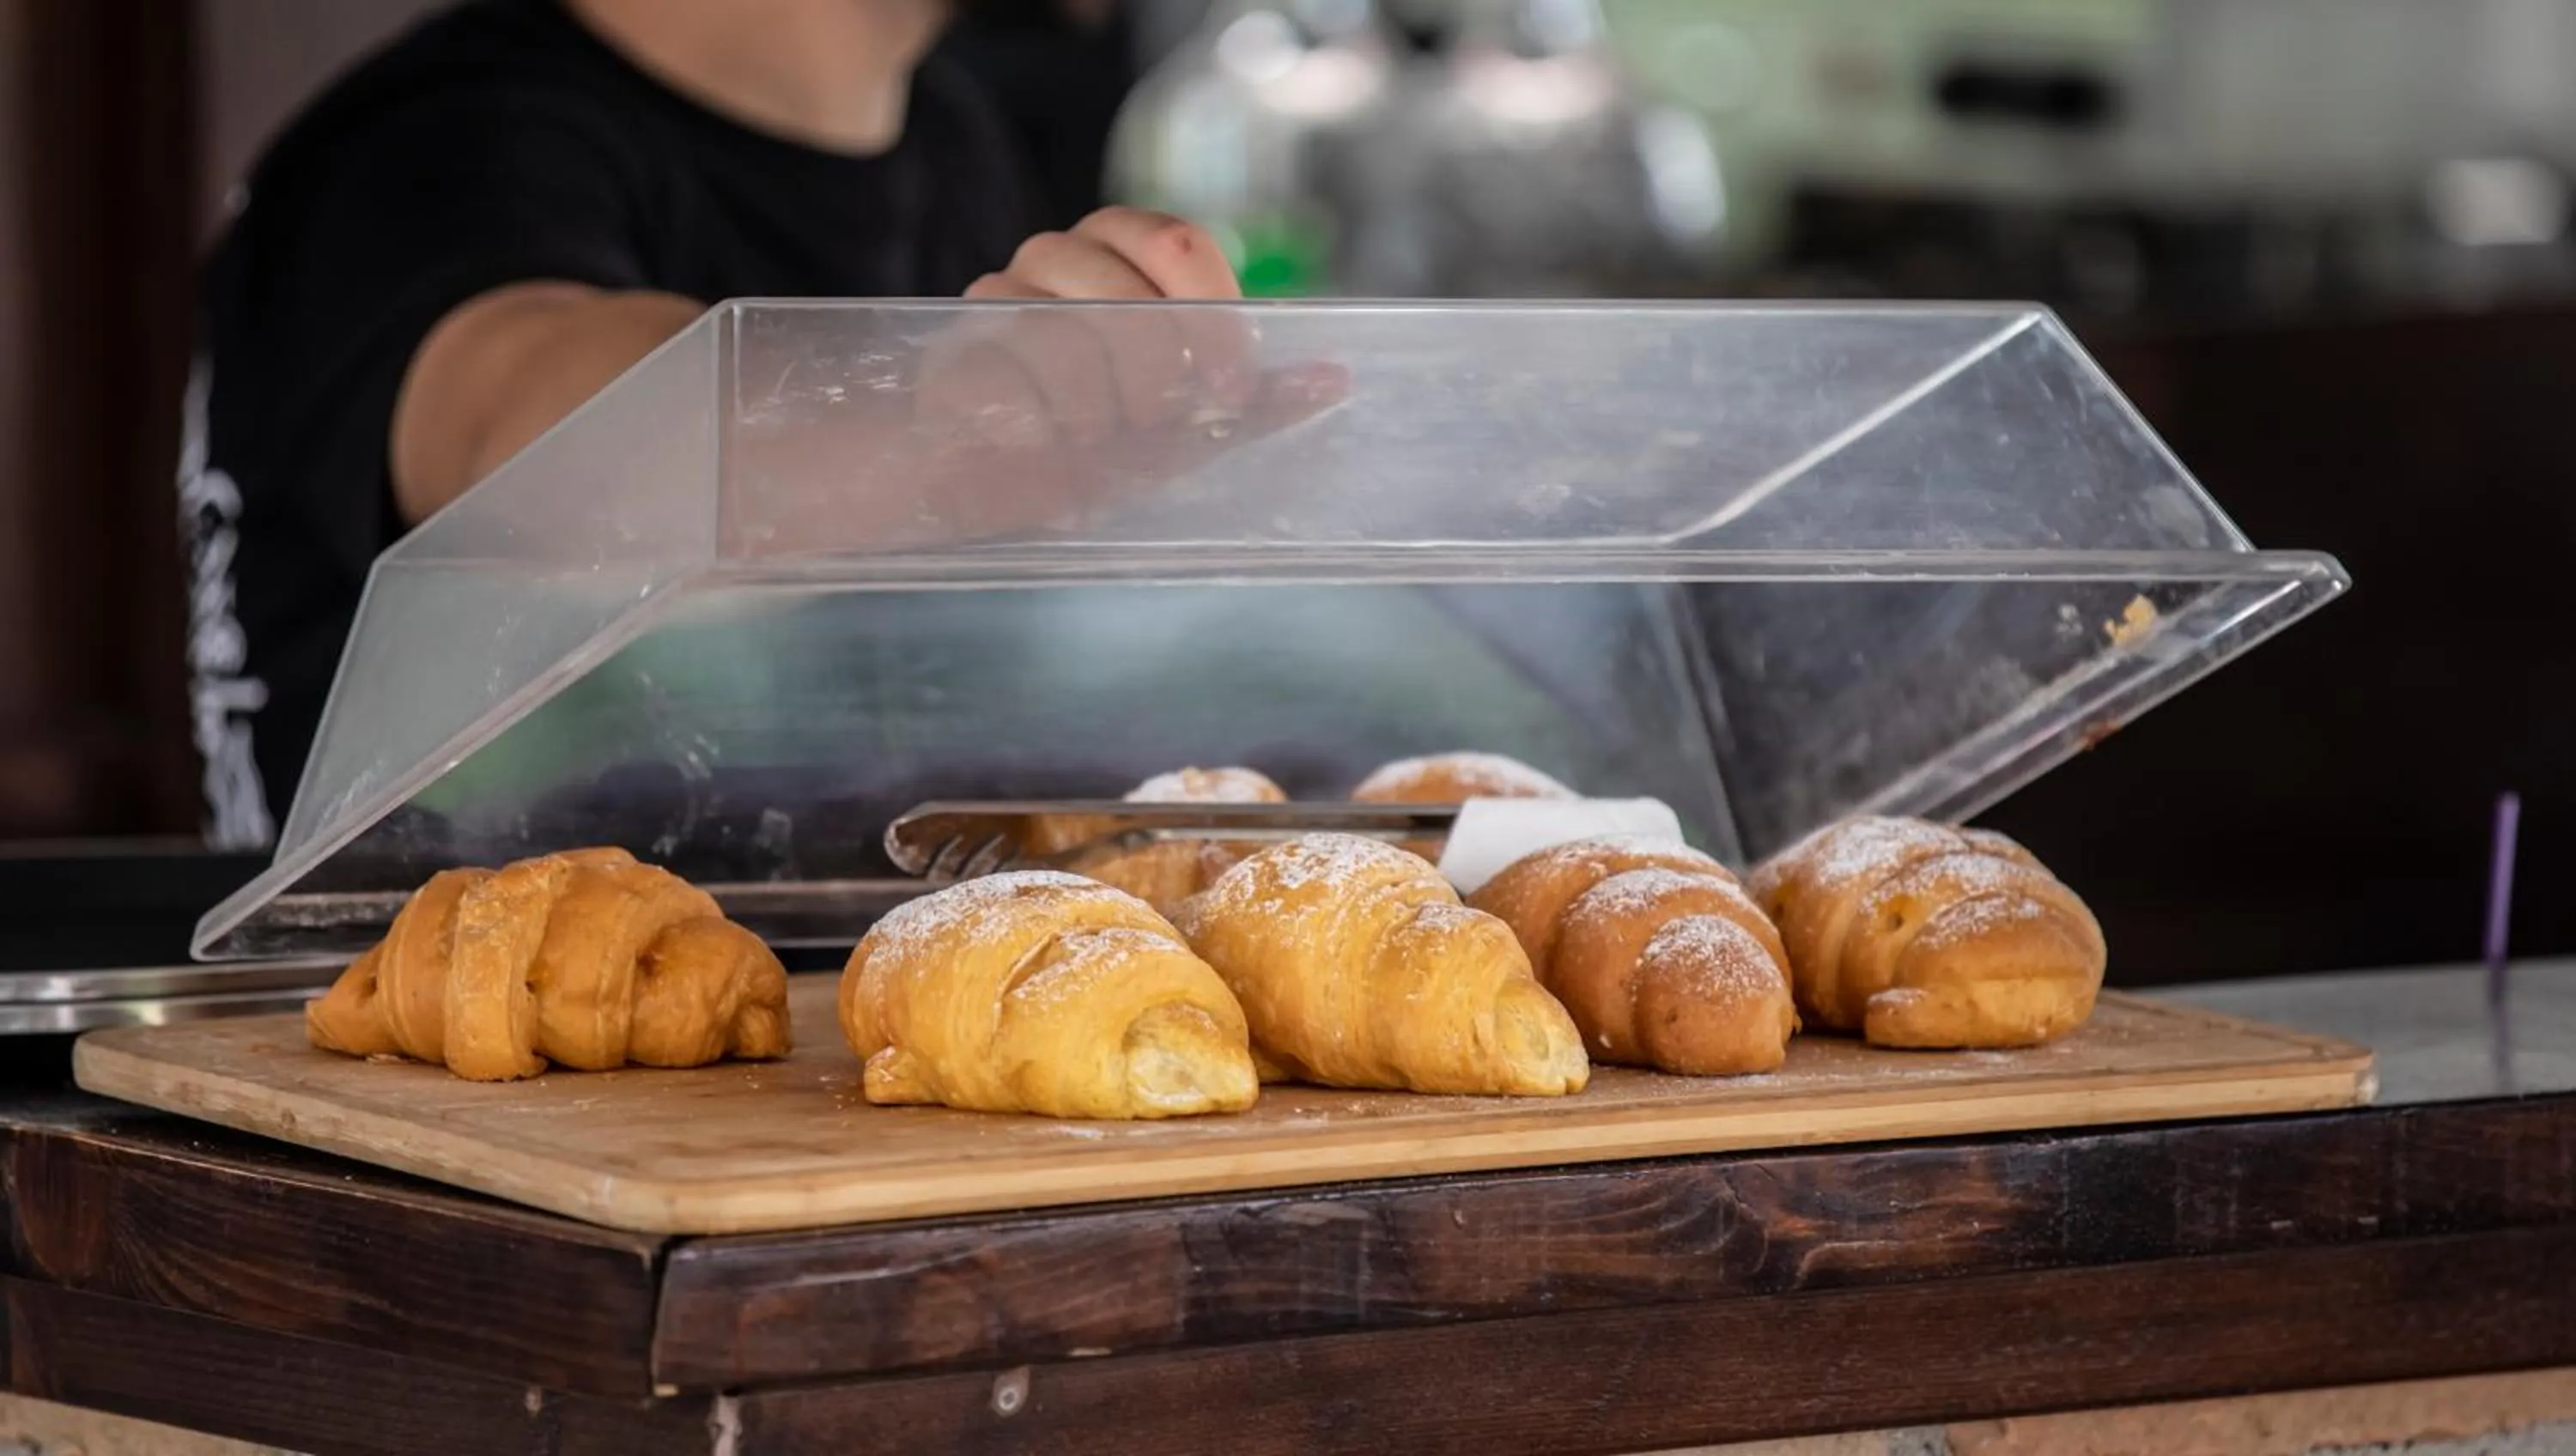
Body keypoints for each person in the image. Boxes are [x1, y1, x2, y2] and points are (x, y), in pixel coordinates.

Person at [179, 0, 1243, 849]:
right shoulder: (429, 150)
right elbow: (538, 437)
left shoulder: (959, 146)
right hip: (403, 1084)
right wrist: (931, 427)